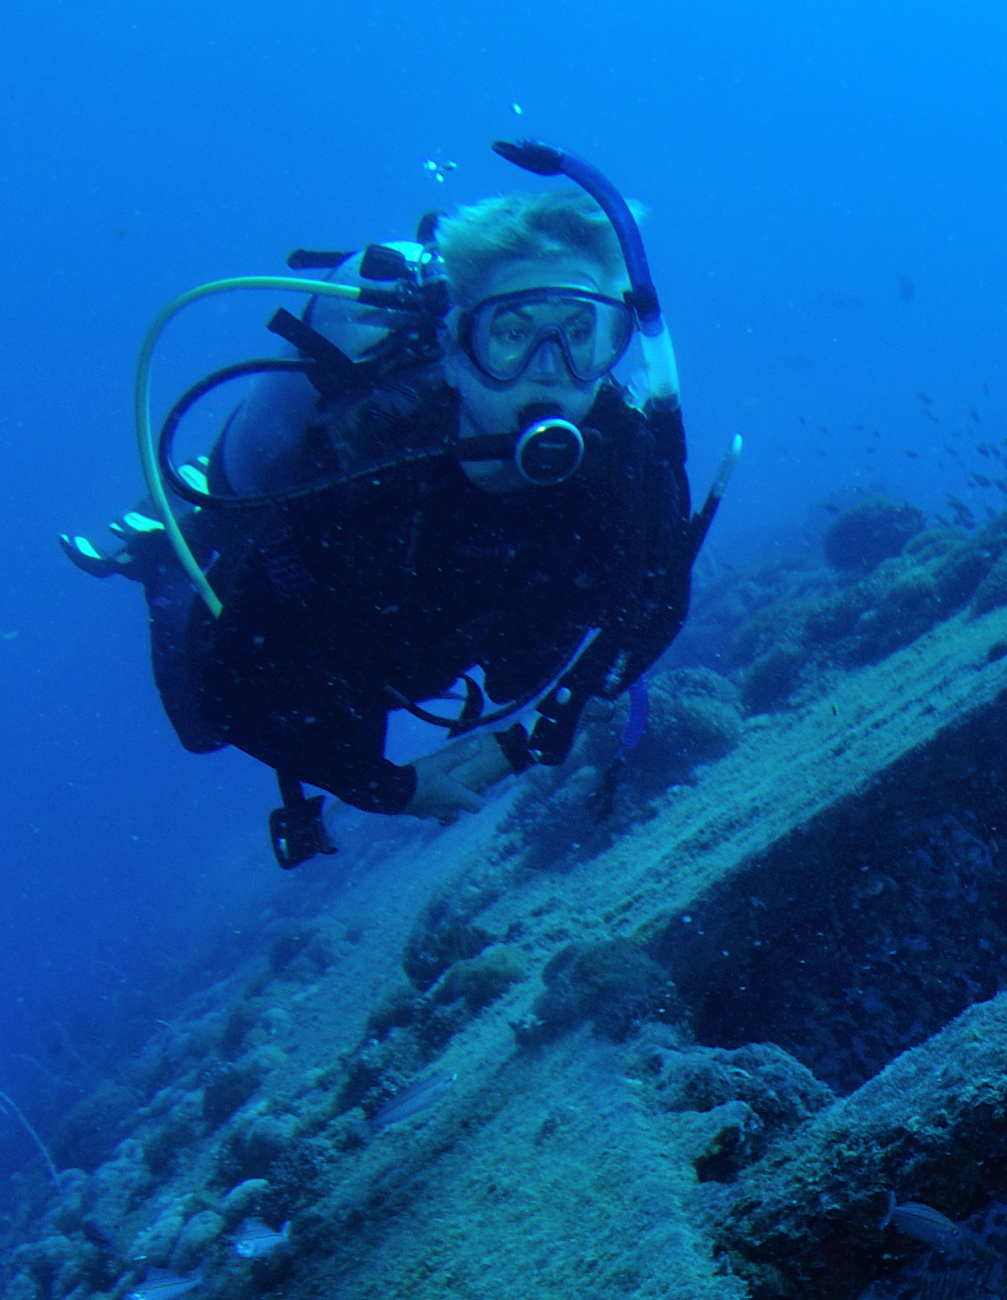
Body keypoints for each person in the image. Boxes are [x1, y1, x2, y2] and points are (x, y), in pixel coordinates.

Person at [68, 140, 725, 867]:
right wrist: (384, 786)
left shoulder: (627, 456)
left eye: (578, 334)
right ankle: (166, 553)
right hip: (358, 631)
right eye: (510, 333)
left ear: (615, 342)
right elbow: (232, 689)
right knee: (204, 723)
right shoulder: (361, 478)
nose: (550, 372)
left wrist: (536, 734)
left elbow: (656, 603)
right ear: (453, 350)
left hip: (472, 621)